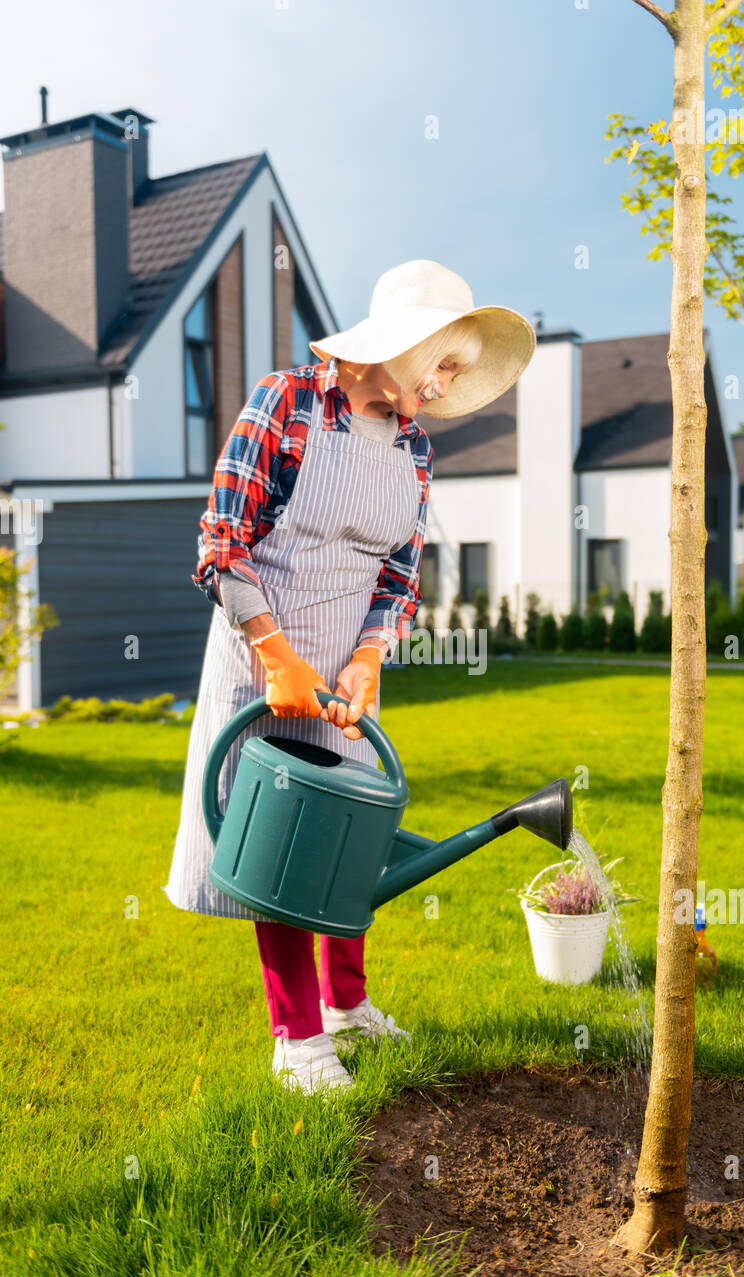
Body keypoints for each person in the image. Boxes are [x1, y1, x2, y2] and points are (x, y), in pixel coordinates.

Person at [164, 259, 535, 1095]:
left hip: (345, 682)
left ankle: (348, 1006)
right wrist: (278, 657)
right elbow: (220, 543)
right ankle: (296, 1040)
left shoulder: (413, 445)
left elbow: (400, 578)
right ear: (396, 347)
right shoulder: (287, 401)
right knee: (283, 850)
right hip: (263, 666)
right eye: (439, 364)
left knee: (350, 839)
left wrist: (369, 657)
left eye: (455, 373)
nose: (442, 386)